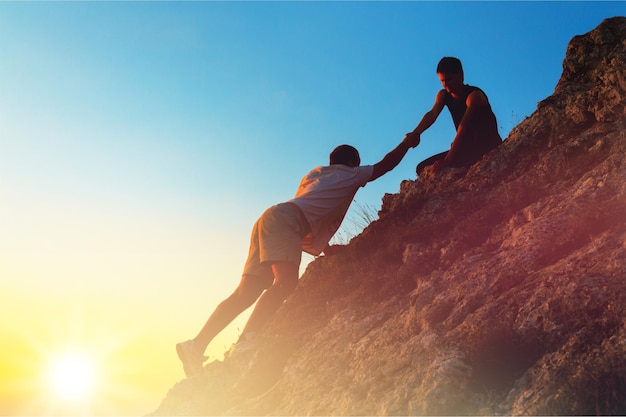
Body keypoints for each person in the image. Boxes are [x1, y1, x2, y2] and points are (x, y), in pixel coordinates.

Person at [176, 134, 420, 377]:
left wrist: (325, 249)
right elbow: (387, 164)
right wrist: (409, 140)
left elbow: (313, 207)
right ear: (353, 162)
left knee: (245, 292)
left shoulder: (315, 175)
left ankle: (195, 345)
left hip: (271, 217)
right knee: (285, 282)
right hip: (287, 222)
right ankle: (246, 343)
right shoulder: (351, 174)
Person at [407, 57, 502, 175]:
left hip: (487, 147)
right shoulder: (443, 95)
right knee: (421, 168)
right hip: (466, 149)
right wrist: (416, 133)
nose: (445, 85)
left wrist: (447, 160)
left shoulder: (474, 96)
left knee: (447, 167)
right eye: (442, 81)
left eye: (449, 80)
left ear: (461, 75)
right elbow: (432, 114)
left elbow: (463, 127)